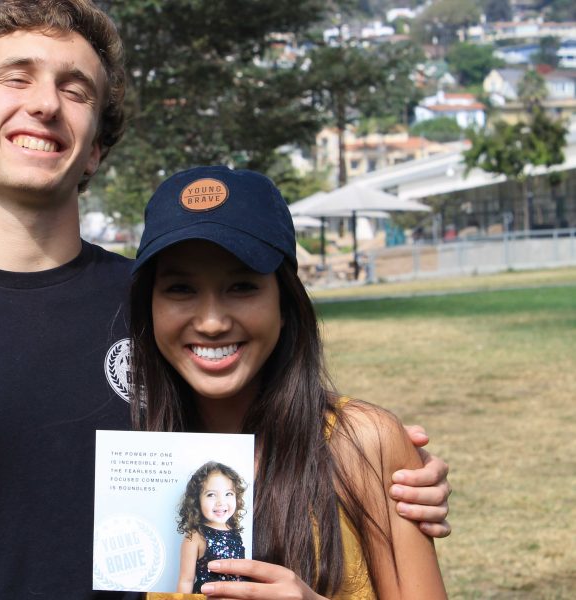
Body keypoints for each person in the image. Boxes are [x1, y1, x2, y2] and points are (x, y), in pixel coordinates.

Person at [0, 1, 450, 597]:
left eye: (75, 88)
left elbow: (295, 436)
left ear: (96, 151)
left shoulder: (164, 309)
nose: (45, 102)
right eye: (15, 77)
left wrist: (390, 472)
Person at [129, 166, 448, 599]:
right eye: (180, 288)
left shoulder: (365, 443)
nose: (211, 322)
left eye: (241, 286)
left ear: (285, 301)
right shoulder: (131, 455)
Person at [176, 461, 248, 593]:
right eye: (211, 495)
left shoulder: (235, 533)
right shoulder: (195, 536)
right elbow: (186, 581)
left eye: (228, 494)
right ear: (197, 500)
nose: (221, 502)